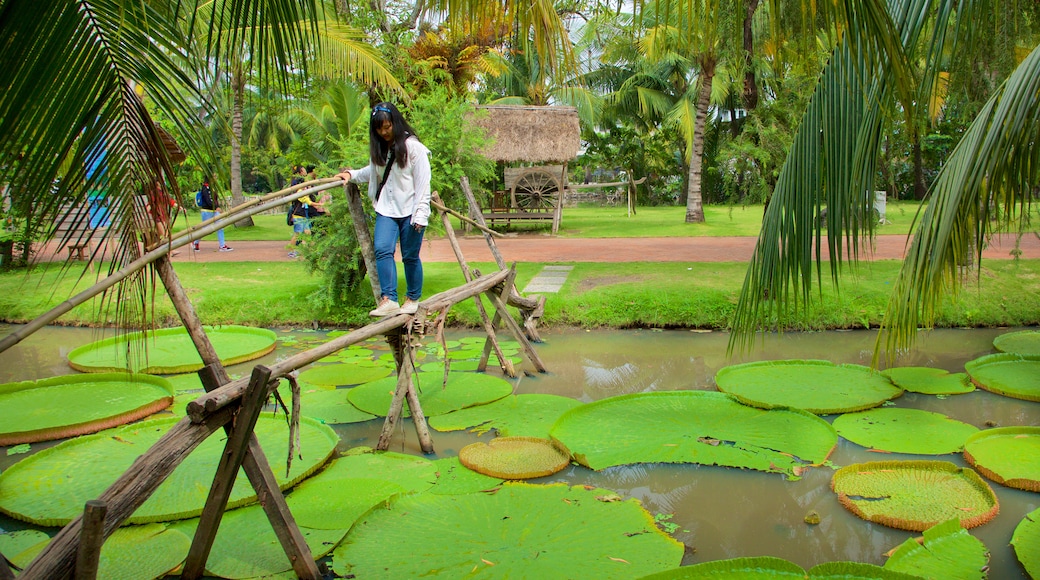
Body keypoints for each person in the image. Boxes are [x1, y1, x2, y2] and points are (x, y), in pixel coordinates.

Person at [336, 102, 431, 316]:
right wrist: (350, 174)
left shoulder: (413, 147)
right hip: (386, 209)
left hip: (411, 211)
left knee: (410, 256)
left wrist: (421, 214)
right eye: (379, 129)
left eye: (387, 127)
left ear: (395, 123)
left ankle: (413, 298)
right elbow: (372, 172)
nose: (384, 132)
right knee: (382, 249)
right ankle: (389, 299)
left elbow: (423, 183)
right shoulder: (379, 148)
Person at [286, 165, 324, 258]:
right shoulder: (300, 192)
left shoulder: (304, 192)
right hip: (299, 215)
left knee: (307, 233)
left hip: (304, 214)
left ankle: (308, 251)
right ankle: (291, 251)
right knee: (298, 234)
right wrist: (320, 205)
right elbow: (309, 202)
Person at [194, 178, 232, 252]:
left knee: (220, 226)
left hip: (215, 211)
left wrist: (217, 207)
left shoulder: (213, 187)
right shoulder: (205, 187)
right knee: (205, 229)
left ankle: (222, 245)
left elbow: (215, 199)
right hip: (207, 211)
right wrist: (215, 207)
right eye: (214, 176)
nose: (216, 177)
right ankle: (196, 242)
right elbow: (208, 200)